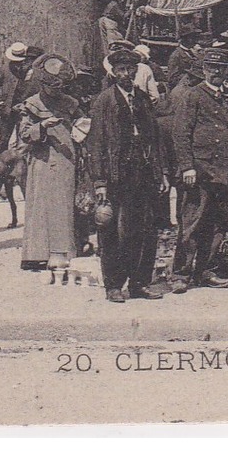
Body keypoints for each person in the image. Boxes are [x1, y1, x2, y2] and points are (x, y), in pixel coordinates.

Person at [86, 45, 173, 302]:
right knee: (112, 230)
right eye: (121, 69)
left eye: (131, 69)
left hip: (143, 172)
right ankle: (113, 285)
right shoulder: (104, 101)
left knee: (145, 229)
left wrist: (162, 173)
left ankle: (140, 283)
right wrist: (100, 181)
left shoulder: (143, 99)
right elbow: (97, 142)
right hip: (116, 174)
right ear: (113, 72)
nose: (126, 74)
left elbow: (154, 139)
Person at [170, 48, 228, 293]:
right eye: (212, 69)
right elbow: (181, 135)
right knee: (191, 222)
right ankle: (181, 274)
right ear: (203, 71)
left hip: (221, 171)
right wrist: (187, 167)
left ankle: (205, 270)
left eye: (221, 69)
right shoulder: (193, 96)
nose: (216, 74)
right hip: (200, 171)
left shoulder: (226, 97)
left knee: (217, 224)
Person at [17, 54, 84, 274]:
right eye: (51, 87)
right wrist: (43, 126)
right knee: (41, 207)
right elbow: (24, 134)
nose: (55, 91)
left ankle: (64, 253)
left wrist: (81, 129)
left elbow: (83, 125)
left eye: (59, 87)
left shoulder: (70, 103)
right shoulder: (32, 104)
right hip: (42, 161)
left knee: (63, 207)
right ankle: (37, 254)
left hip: (66, 160)